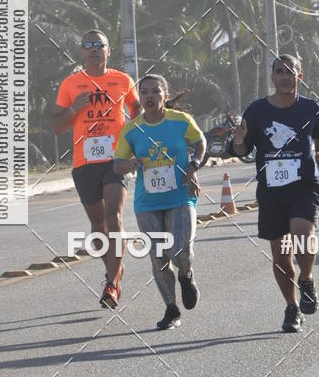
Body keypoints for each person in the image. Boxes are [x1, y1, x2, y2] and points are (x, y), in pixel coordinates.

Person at [231, 54, 319, 333]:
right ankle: (292, 307)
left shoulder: (313, 108)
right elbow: (242, 150)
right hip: (271, 189)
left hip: (304, 184)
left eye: (290, 71)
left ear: (300, 76)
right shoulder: (257, 110)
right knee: (279, 253)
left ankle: (307, 279)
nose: (285, 76)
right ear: (272, 77)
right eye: (279, 71)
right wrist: (238, 141)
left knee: (302, 234)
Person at [51, 30, 140, 309]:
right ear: (81, 53)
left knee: (114, 218)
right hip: (84, 163)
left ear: (108, 51)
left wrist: (132, 139)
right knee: (98, 225)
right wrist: (74, 110)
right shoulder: (70, 84)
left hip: (115, 160)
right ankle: (115, 269)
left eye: (98, 45)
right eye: (87, 45)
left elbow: (138, 110)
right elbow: (56, 126)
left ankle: (111, 284)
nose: (92, 50)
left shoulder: (122, 80)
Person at [114, 74, 205, 330]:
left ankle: (186, 275)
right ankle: (171, 309)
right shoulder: (131, 130)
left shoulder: (180, 121)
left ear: (165, 95)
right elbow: (118, 165)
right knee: (157, 256)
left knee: (180, 251)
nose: (149, 96)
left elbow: (200, 142)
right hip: (147, 203)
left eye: (155, 91)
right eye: (144, 92)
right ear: (139, 98)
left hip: (180, 196)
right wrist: (130, 163)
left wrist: (194, 166)